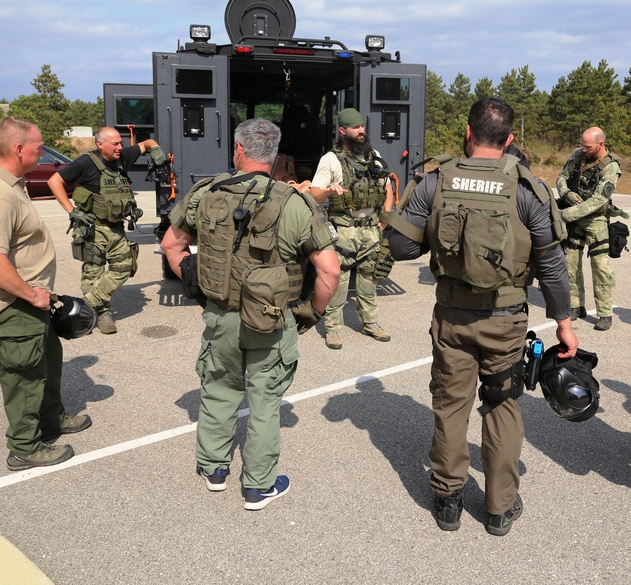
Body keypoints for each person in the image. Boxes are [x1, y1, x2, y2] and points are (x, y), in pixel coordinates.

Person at [387, 97, 578, 536]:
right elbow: (552, 265)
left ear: (468, 133)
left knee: (451, 406)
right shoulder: (529, 188)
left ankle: (448, 500)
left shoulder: (437, 180)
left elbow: (400, 246)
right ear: (509, 140)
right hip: (505, 319)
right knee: (502, 405)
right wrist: (563, 322)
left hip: (452, 317)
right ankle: (498, 508)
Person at [161, 118, 340, 510]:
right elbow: (330, 270)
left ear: (238, 151)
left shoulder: (205, 193)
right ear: (275, 157)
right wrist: (312, 312)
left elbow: (171, 246)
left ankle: (213, 469)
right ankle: (258, 486)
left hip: (220, 316)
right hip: (273, 319)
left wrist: (198, 284)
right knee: (264, 400)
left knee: (219, 389)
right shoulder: (295, 203)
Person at [0, 117, 92, 470]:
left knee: (47, 362)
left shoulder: (10, 183)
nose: (42, 151)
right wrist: (32, 295)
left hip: (32, 302)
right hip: (15, 305)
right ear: (19, 149)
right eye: (38, 146)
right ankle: (24, 447)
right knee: (25, 377)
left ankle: (51, 421)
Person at [48, 127, 167, 334]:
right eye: (115, 144)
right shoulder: (85, 163)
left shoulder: (123, 157)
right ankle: (102, 313)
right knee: (93, 272)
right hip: (92, 228)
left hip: (116, 229)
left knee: (125, 266)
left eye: (121, 143)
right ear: (100, 144)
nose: (120, 147)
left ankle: (85, 304)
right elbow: (54, 181)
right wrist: (71, 211)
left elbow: (147, 143)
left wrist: (156, 149)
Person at [308, 108, 393, 349]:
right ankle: (333, 328)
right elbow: (314, 193)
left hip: (370, 230)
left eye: (362, 128)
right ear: (343, 131)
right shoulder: (331, 160)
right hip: (343, 231)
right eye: (356, 128)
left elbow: (387, 187)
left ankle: (370, 322)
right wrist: (329, 190)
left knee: (369, 279)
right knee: (340, 281)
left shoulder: (373, 156)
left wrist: (386, 216)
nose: (361, 131)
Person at [556, 127, 624, 331]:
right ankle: (576, 306)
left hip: (595, 221)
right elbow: (561, 178)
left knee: (601, 268)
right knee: (570, 265)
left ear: (600, 144)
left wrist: (567, 214)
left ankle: (604, 313)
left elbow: (598, 201)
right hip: (576, 221)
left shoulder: (611, 166)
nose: (583, 149)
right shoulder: (578, 155)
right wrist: (566, 194)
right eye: (582, 145)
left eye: (588, 146)